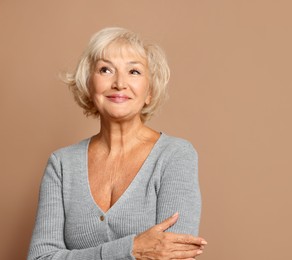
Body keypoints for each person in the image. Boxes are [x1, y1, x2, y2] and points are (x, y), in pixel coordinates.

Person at [28, 27, 206, 260]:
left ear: (149, 91)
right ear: (89, 85)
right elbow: (40, 257)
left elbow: (173, 256)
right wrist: (132, 250)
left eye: (134, 71)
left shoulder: (175, 155)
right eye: (106, 70)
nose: (120, 83)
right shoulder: (61, 164)